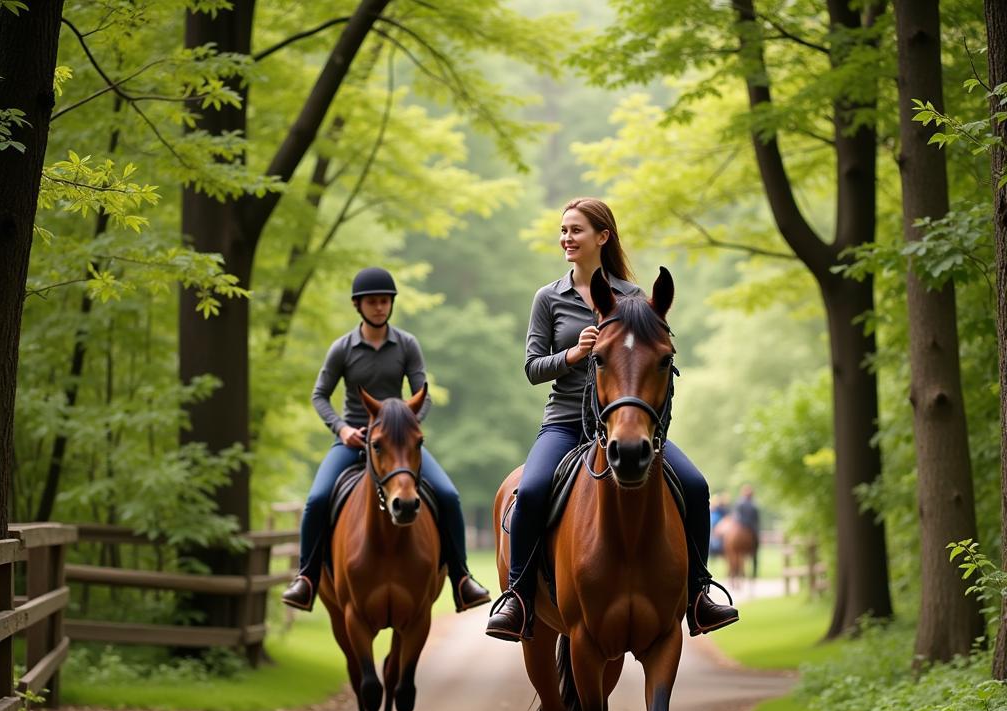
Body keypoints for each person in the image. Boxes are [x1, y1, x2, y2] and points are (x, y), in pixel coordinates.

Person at [484, 198, 738, 642]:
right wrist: (573, 354)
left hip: (628, 426)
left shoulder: (635, 298)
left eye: (576, 230)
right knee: (532, 491)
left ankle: (699, 594)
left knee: (695, 485)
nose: (567, 238)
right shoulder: (548, 297)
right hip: (564, 422)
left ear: (602, 237)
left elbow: (654, 359)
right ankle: (520, 598)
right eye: (563, 230)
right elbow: (531, 368)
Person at [281, 267, 490, 613]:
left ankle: (462, 579)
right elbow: (320, 395)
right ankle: (306, 579)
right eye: (372, 302)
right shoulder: (342, 349)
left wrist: (406, 428)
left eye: (384, 301)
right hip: (354, 441)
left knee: (449, 495)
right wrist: (342, 429)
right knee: (317, 499)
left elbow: (424, 394)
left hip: (397, 444)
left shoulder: (407, 344)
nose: (379, 308)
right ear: (358, 306)